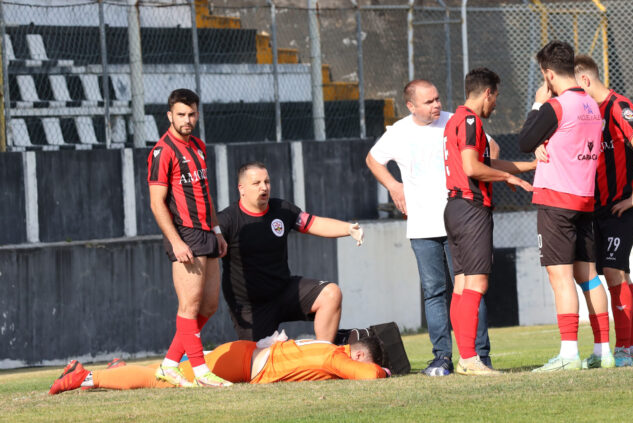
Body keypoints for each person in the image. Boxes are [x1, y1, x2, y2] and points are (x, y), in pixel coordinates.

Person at [365, 79, 493, 377]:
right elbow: (373, 160)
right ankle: (441, 358)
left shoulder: (455, 121)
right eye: (428, 101)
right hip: (421, 226)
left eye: (437, 98)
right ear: (411, 106)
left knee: (471, 290)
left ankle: (478, 356)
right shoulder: (398, 132)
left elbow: (489, 148)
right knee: (434, 292)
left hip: (458, 223)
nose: (437, 105)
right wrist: (394, 186)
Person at [518, 41, 605, 372]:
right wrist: (546, 142)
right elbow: (568, 140)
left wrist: (538, 104)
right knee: (589, 275)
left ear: (548, 73)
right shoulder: (591, 105)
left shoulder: (556, 106)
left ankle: (568, 353)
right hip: (584, 197)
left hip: (556, 199)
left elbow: (525, 140)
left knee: (561, 276)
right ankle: (602, 351)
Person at [444, 68, 535, 375]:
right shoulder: (471, 121)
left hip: (455, 208)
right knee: (477, 283)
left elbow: (485, 163)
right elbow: (473, 168)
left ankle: (465, 357)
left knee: (461, 285)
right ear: (487, 93)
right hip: (471, 208)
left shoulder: (455, 121)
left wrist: (529, 166)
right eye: (496, 97)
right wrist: (507, 176)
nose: (495, 104)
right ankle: (470, 359)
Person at [217, 162, 364, 343]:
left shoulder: (281, 209)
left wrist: (348, 228)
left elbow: (313, 223)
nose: (264, 187)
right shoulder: (227, 220)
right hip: (251, 307)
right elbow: (205, 243)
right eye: (257, 183)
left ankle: (324, 355)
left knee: (331, 294)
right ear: (242, 189)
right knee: (261, 367)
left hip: (284, 291)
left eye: (267, 182)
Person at [574, 54, 633, 367]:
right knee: (621, 273)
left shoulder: (619, 106)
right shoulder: (586, 113)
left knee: (612, 270)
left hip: (622, 205)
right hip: (598, 208)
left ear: (584, 80)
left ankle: (621, 349)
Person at [147, 89, 230, 387]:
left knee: (209, 306)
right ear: (169, 115)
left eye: (192, 114)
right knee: (190, 305)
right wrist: (176, 241)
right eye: (181, 114)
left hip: (207, 232)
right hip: (184, 233)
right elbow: (157, 203)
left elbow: (205, 193)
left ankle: (169, 364)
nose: (187, 120)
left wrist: (218, 231)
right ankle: (199, 371)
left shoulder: (198, 146)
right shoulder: (162, 150)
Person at [48, 335, 388, 394]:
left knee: (171, 373)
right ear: (357, 355)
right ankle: (86, 377)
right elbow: (371, 376)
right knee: (161, 381)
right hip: (241, 366)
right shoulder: (336, 357)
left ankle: (112, 372)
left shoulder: (328, 346)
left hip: (243, 355)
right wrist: (385, 371)